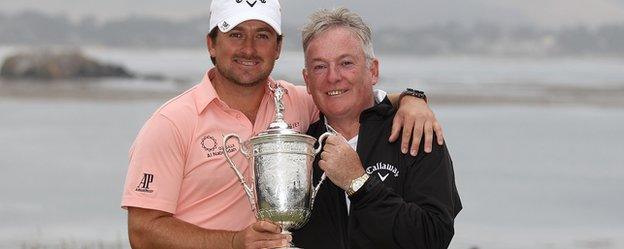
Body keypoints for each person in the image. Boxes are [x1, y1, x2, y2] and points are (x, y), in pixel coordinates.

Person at [120, 1, 445, 248]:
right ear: (211, 43)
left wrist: (413, 99)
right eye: (235, 35)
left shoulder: (296, 101)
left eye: (262, 36)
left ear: (277, 47)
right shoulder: (171, 123)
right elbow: (142, 230)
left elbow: (348, 93)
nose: (248, 48)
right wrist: (234, 242)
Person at [291, 8, 462, 249]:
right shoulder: (298, 147)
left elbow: (434, 236)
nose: (333, 77)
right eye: (320, 67)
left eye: (346, 63)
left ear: (373, 71)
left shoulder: (416, 132)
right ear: (307, 80)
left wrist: (359, 184)